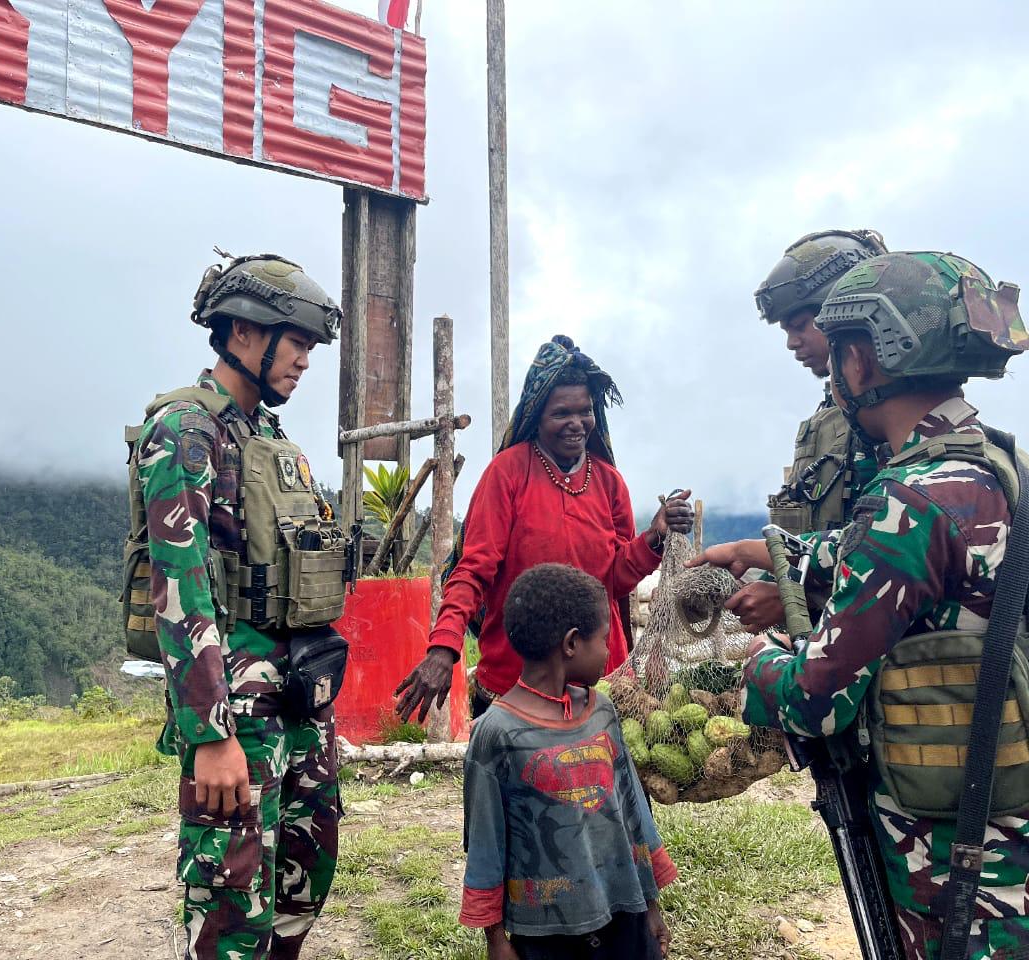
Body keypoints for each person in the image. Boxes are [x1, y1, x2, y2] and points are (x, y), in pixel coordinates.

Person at [692, 252, 1029, 960]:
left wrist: (756, 665)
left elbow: (816, 699)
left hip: (965, 864)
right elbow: (906, 560)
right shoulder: (1000, 464)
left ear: (861, 362)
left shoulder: (910, 496)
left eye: (836, 357)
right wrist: (776, 554)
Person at [129, 253, 348, 960]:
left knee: (302, 886)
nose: (306, 362)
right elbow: (180, 587)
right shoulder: (186, 433)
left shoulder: (273, 440)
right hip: (238, 724)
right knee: (230, 916)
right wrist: (210, 736)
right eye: (299, 343)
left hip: (298, 707)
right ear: (246, 334)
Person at [395, 335, 693, 722]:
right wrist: (444, 647)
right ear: (537, 416)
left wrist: (654, 536)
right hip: (516, 684)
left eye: (584, 411)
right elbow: (474, 569)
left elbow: (614, 580)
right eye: (561, 413)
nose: (576, 424)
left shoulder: (608, 482)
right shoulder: (506, 474)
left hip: (599, 683)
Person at [459, 562, 677, 960]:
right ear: (572, 643)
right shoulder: (496, 734)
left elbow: (633, 816)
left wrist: (651, 905)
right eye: (605, 638)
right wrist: (496, 940)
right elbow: (484, 843)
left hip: (623, 916)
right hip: (545, 937)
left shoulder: (602, 713)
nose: (610, 650)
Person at [731, 229, 888, 630]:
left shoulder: (887, 423)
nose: (791, 343)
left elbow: (890, 560)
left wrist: (794, 601)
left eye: (800, 325)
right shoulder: (832, 416)